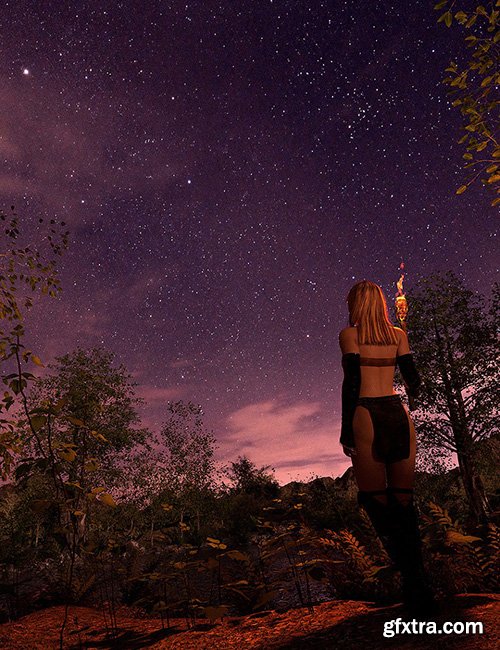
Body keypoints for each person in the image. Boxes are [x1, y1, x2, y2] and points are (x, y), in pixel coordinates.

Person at [339, 279, 438, 616]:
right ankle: (419, 584)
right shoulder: (398, 335)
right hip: (398, 414)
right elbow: (414, 382)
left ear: (356, 304)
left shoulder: (350, 336)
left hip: (367, 413)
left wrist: (345, 432)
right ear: (381, 303)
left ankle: (410, 579)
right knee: (403, 500)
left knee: (375, 500)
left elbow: (351, 383)